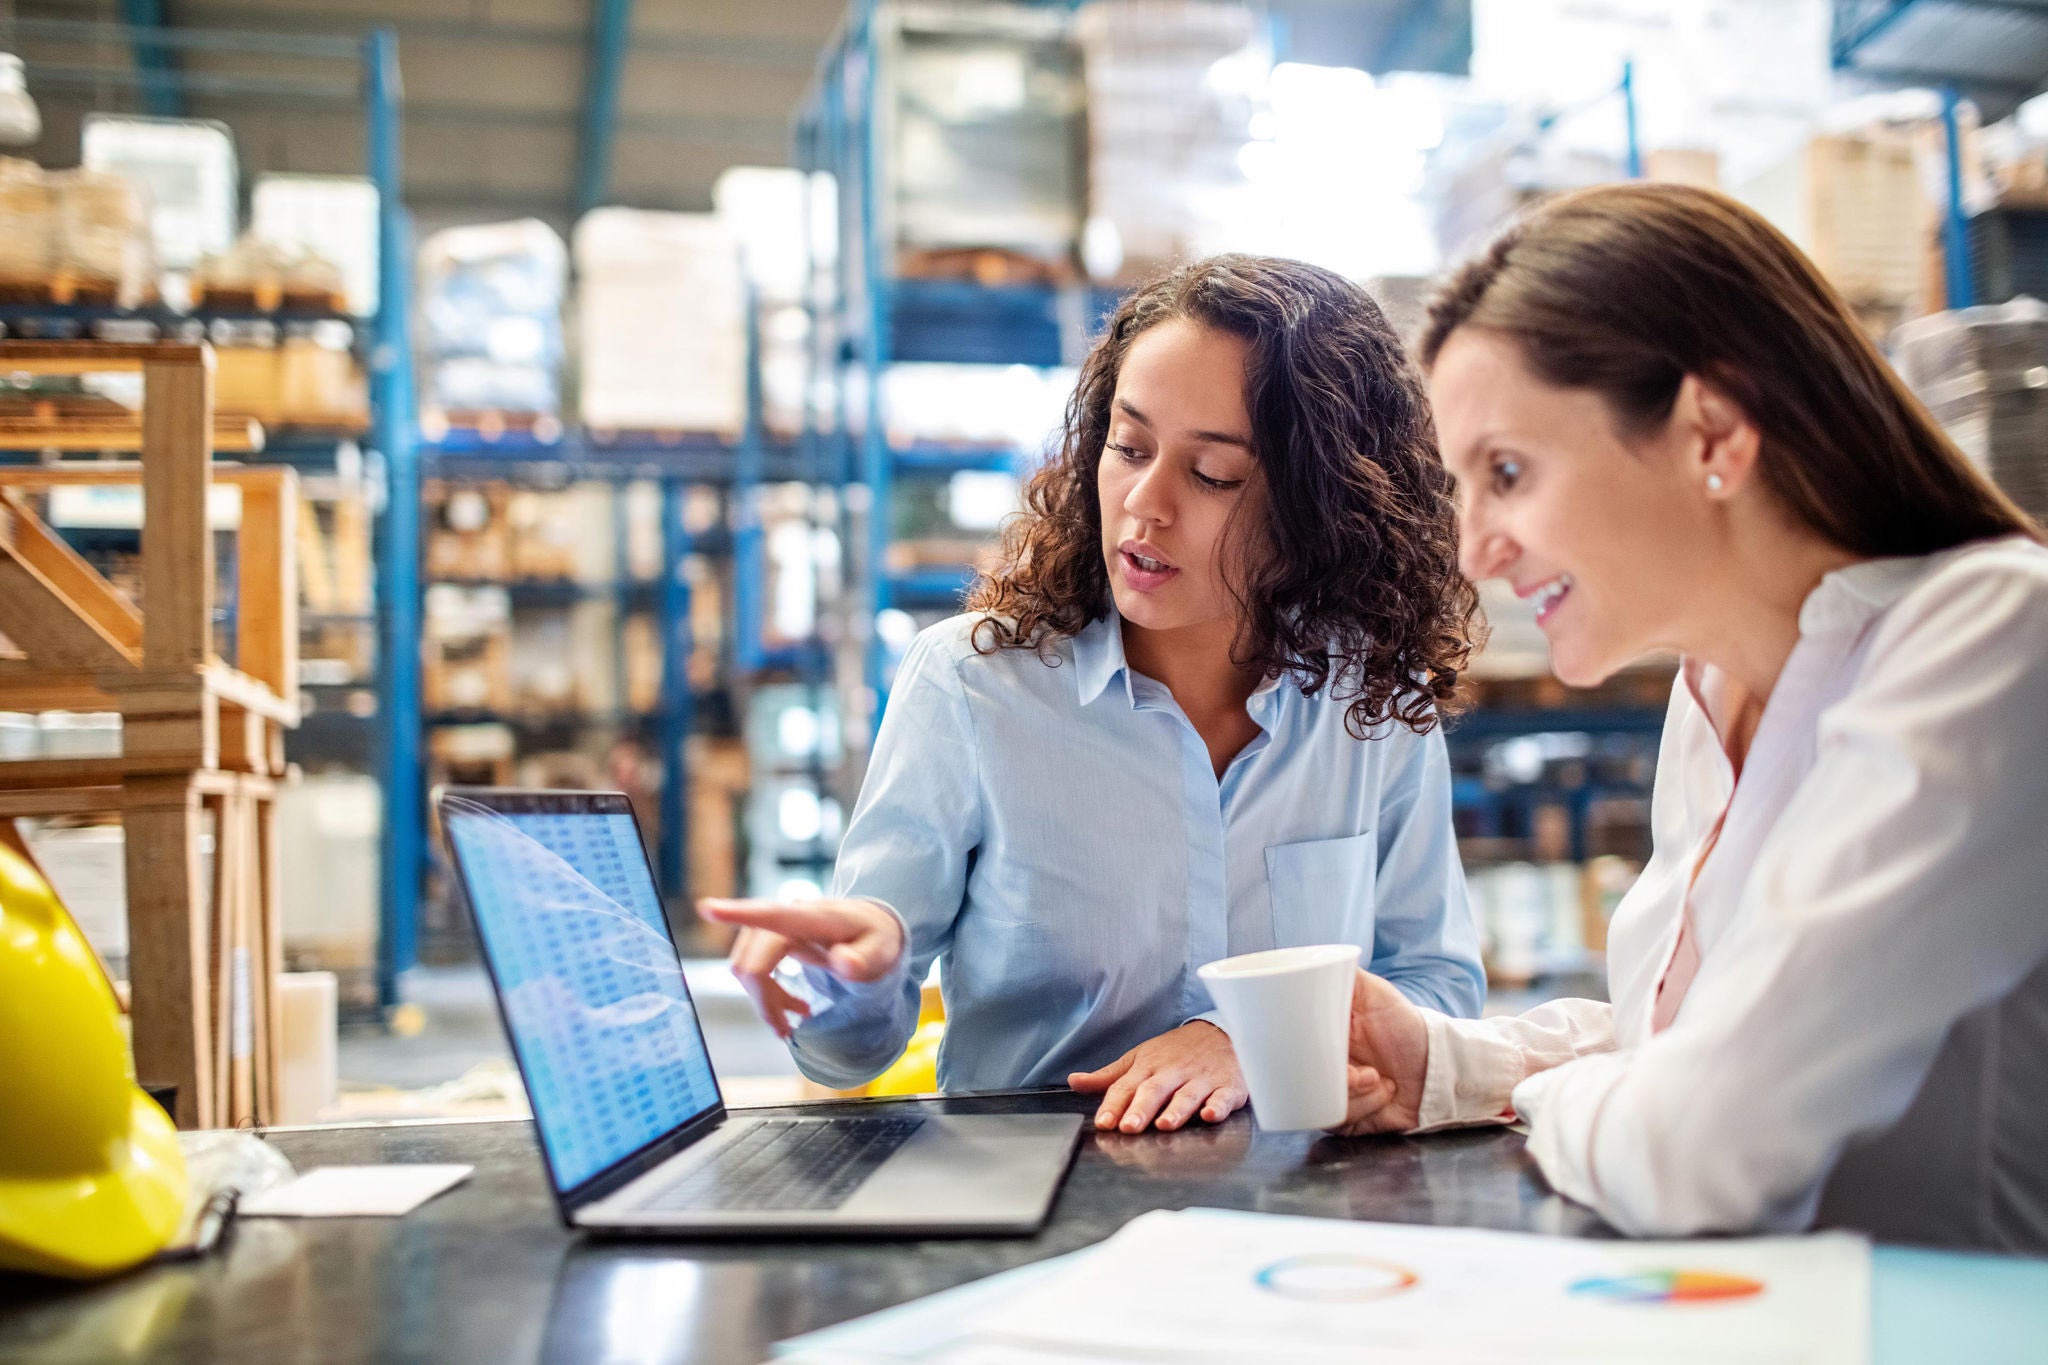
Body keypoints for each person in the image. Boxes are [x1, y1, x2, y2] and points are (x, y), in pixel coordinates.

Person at [1335, 182, 2048, 1251]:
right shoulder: (1710, 691)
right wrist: (1444, 1063)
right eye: (1459, 492)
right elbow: (1703, 1035)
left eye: (1509, 473)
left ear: (1710, 431)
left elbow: (1696, 1148)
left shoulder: (1990, 638)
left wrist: (1546, 1099)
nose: (1473, 550)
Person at [703, 254, 1486, 1134]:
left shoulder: (1374, 702)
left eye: (1212, 474)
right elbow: (846, 1056)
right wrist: (858, 978)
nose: (1145, 504)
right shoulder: (971, 686)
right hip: (1036, 1203)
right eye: (1130, 445)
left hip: (1296, 1210)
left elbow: (1439, 988)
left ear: (1322, 506)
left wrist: (1246, 1038)